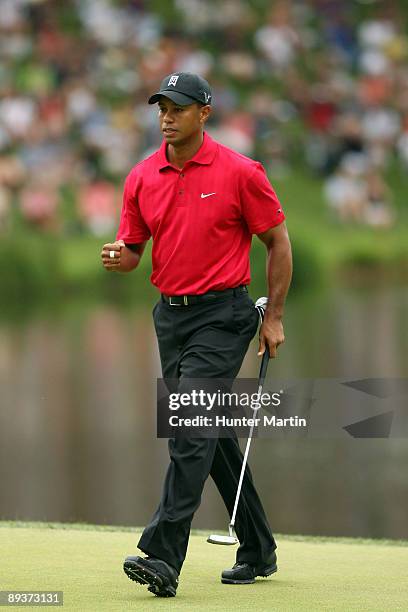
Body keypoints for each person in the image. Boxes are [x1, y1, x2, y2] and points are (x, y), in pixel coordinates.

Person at [100, 72, 292, 598]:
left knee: (190, 428)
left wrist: (272, 316)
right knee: (211, 434)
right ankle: (257, 546)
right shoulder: (142, 176)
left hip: (224, 315)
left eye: (178, 108)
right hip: (171, 318)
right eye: (161, 107)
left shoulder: (240, 171)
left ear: (203, 114)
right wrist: (121, 259)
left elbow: (277, 242)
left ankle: (163, 554)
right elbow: (135, 247)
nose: (166, 116)